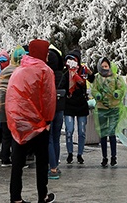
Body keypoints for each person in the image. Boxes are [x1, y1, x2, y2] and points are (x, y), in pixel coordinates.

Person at [6, 39, 57, 203]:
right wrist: (48, 120)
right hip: (38, 124)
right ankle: (42, 195)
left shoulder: (19, 70)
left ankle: (16, 197)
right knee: (42, 162)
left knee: (17, 163)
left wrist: (14, 121)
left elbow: (11, 96)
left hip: (19, 123)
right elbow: (48, 98)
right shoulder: (45, 71)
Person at [0, 47, 26, 166]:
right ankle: (17, 159)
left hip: (5, 107)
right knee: (17, 135)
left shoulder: (6, 71)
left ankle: (4, 158)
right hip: (17, 108)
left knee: (6, 135)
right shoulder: (22, 71)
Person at [91, 57, 126, 168]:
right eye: (102, 67)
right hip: (101, 108)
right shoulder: (97, 78)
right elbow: (94, 89)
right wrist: (97, 95)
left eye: (106, 66)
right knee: (102, 134)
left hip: (114, 108)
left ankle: (113, 157)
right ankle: (104, 157)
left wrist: (117, 93)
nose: (105, 68)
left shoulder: (116, 77)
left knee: (111, 133)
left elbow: (121, 88)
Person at [63, 49, 89, 165]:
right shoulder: (66, 74)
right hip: (69, 104)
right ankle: (69, 153)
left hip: (81, 104)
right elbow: (61, 87)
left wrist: (84, 74)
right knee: (69, 130)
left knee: (82, 131)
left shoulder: (83, 72)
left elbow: (88, 82)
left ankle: (80, 154)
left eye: (73, 60)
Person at [46, 46, 66, 179]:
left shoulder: (46, 73)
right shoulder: (62, 74)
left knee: (49, 139)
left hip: (49, 110)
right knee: (56, 138)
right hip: (60, 109)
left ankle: (52, 167)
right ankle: (56, 165)